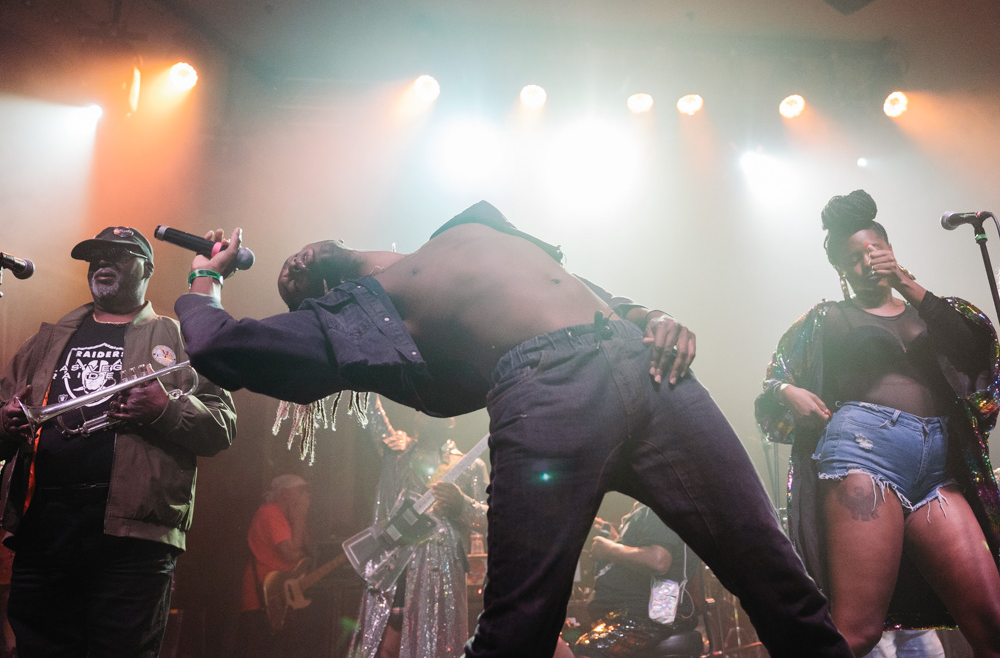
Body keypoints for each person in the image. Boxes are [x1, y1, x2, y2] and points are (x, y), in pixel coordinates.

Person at [174, 200, 851, 657]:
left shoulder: (470, 225)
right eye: (297, 280)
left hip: (645, 368)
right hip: (548, 393)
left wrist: (648, 312)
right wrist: (206, 277)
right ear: (323, 302)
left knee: (779, 580)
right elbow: (217, 345)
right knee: (518, 627)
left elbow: (574, 284)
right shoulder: (362, 309)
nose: (295, 262)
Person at [754, 190, 1000, 656]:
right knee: (858, 632)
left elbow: (979, 351)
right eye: (854, 258)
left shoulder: (930, 312)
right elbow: (775, 378)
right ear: (841, 270)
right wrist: (787, 391)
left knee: (992, 625)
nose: (867, 262)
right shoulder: (828, 318)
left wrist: (909, 286)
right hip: (863, 452)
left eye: (874, 250)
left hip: (937, 468)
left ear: (890, 251)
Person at [0, 226, 237, 657]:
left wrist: (164, 410)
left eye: (119, 254)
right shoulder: (47, 339)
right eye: (98, 255)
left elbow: (221, 427)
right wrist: (5, 423)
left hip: (133, 539)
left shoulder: (177, 338)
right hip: (44, 530)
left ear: (147, 268)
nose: (104, 262)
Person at [349, 400, 488, 658]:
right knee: (385, 647)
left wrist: (462, 504)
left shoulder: (470, 466)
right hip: (393, 568)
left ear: (452, 421)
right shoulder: (397, 453)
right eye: (422, 413)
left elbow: (494, 519)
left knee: (436, 649)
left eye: (435, 413)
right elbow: (371, 414)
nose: (426, 418)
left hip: (441, 576)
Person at [573, 501, 701, 658]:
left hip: (652, 615)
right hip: (633, 614)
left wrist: (609, 549)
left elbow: (658, 560)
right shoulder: (646, 511)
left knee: (589, 650)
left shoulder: (656, 506)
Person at [236, 474, 315, 658]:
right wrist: (299, 519)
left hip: (282, 597)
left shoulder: (288, 518)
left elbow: (308, 552)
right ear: (286, 493)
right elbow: (291, 554)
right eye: (301, 490)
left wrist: (300, 520)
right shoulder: (270, 512)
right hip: (262, 599)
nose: (307, 496)